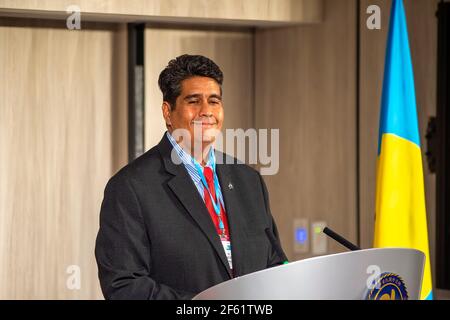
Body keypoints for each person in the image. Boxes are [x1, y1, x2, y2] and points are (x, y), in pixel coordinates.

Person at [95, 54, 286, 300]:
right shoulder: (131, 187)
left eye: (214, 101)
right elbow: (123, 286)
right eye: (193, 101)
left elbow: (274, 264)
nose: (206, 111)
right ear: (168, 112)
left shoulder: (249, 181)